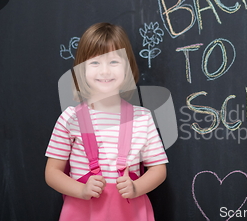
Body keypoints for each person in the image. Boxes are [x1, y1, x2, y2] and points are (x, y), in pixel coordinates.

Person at [45, 22, 168, 221]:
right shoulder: (70, 118)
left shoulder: (143, 118)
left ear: (127, 67)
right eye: (94, 63)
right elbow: (52, 172)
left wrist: (136, 188)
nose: (105, 71)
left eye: (113, 62)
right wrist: (82, 189)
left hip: (130, 212)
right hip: (82, 212)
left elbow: (158, 169)